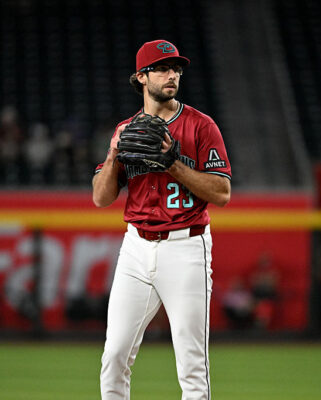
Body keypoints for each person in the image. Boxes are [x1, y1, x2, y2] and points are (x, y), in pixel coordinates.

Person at [93, 39, 232, 400]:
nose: (172, 75)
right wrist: (113, 154)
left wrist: (172, 164)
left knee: (192, 367)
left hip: (186, 247)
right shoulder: (127, 130)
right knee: (114, 357)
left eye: (176, 69)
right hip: (136, 248)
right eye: (162, 68)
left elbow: (221, 193)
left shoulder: (201, 126)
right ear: (141, 77)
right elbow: (101, 197)